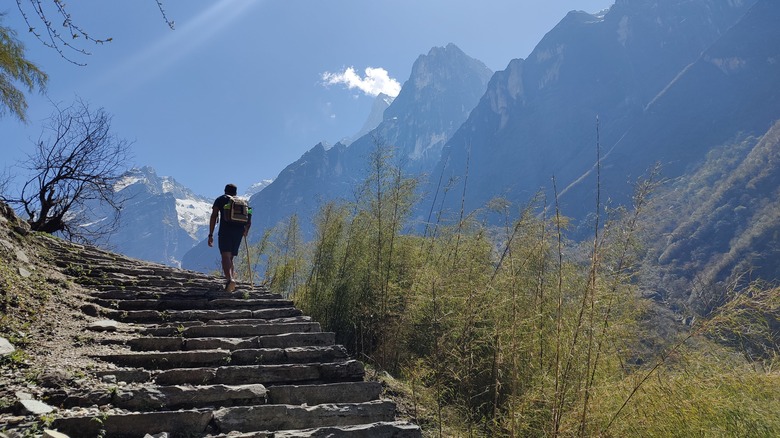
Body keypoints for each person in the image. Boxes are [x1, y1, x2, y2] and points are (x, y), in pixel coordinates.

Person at [208, 183, 251, 291]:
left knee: (225, 256)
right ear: (236, 192)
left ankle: (230, 279)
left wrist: (211, 234)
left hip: (226, 230)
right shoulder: (243, 202)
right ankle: (232, 281)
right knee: (231, 257)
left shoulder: (221, 199)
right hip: (239, 231)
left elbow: (214, 216)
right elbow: (249, 217)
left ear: (225, 190)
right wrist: (246, 230)